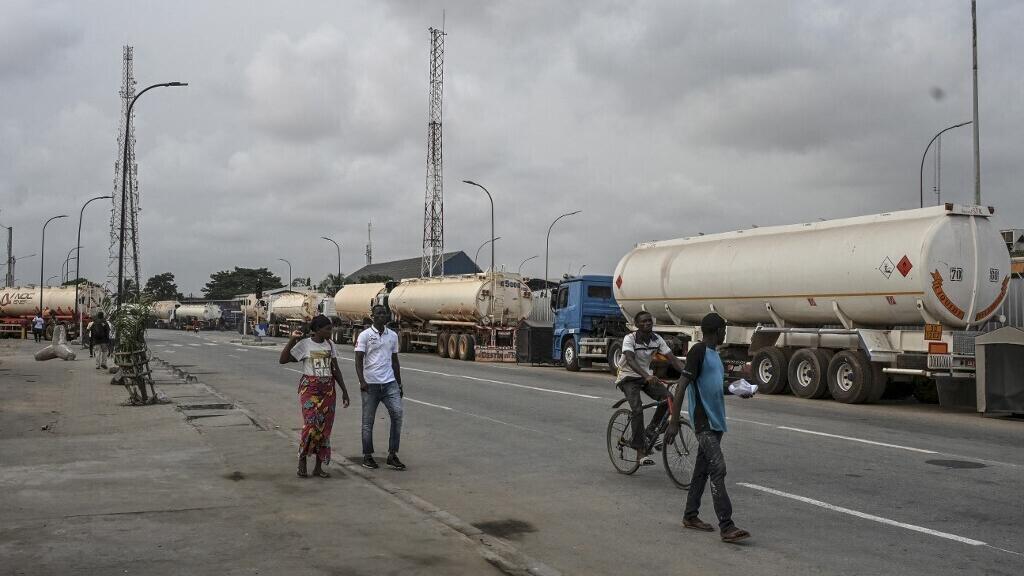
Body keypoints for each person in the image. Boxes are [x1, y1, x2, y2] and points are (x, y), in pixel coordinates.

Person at [665, 312, 752, 543]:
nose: (725, 334)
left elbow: (715, 386)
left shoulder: (715, 355)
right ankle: (727, 525)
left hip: (716, 421)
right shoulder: (699, 351)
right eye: (723, 330)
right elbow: (682, 385)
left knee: (702, 470)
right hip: (703, 421)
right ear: (717, 331)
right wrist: (674, 422)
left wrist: (737, 389)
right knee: (718, 468)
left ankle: (690, 515)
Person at [279, 315, 350, 478]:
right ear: (317, 329)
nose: (331, 332)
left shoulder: (330, 345)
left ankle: (318, 467)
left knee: (324, 429)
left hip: (328, 391)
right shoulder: (305, 344)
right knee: (311, 426)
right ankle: (302, 459)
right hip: (310, 390)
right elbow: (283, 360)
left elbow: (335, 370)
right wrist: (292, 340)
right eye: (328, 329)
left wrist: (344, 391)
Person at [615, 310, 686, 466]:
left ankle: (651, 430)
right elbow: (630, 359)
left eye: (649, 320)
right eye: (643, 321)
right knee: (637, 409)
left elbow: (673, 360)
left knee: (668, 398)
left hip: (646, 376)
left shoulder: (657, 339)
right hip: (627, 377)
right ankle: (640, 452)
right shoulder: (630, 338)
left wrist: (688, 374)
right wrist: (646, 375)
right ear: (636, 324)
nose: (647, 323)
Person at [355, 304, 405, 471]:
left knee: (397, 414)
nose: (382, 316)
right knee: (368, 422)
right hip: (371, 384)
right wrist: (362, 381)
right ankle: (367, 455)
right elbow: (358, 360)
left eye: (384, 313)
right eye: (379, 313)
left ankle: (392, 454)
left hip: (390, 383)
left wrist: (399, 383)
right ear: (373, 316)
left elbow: (395, 361)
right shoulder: (365, 335)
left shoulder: (393, 335)